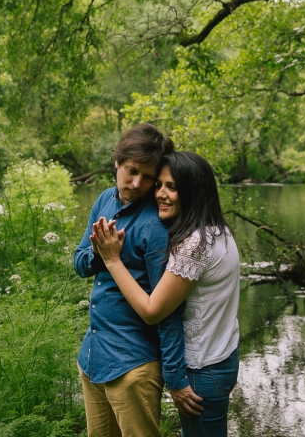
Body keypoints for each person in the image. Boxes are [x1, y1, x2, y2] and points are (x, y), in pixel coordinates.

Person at [92, 151, 240, 437]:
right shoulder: (219, 230)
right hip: (223, 355)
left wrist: (112, 260)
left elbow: (152, 311)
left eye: (172, 187)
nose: (160, 194)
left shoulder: (194, 246)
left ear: (193, 191)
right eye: (159, 185)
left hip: (203, 368)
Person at [74, 123, 198, 437]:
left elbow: (168, 309)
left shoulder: (156, 225)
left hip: (133, 367)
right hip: (93, 358)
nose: (138, 183)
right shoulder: (104, 201)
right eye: (131, 171)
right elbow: (79, 261)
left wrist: (175, 377)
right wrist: (100, 254)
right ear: (116, 162)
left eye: (148, 177)